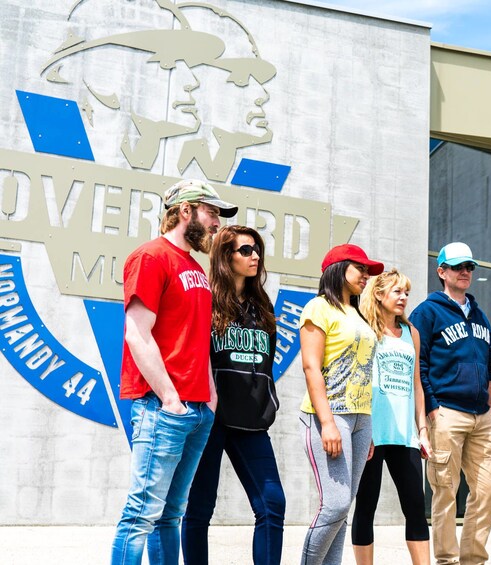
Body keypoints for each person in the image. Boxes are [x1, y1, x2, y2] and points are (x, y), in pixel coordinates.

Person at [111, 179, 238, 565]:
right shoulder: (151, 257)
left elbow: (196, 339)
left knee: (170, 515)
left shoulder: (195, 267)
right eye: (211, 212)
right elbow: (137, 332)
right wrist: (170, 399)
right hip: (162, 408)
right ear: (185, 211)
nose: (217, 223)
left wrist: (210, 395)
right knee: (141, 515)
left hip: (197, 407)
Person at [181, 225, 285, 565]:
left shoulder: (262, 305)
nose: (255, 255)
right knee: (199, 508)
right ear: (226, 256)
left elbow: (265, 363)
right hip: (210, 421)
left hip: (252, 421)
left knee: (272, 505)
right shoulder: (206, 300)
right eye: (245, 250)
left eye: (257, 250)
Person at [409, 242, 491, 565]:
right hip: (445, 411)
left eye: (469, 267)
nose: (465, 272)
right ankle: (447, 560)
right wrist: (431, 407)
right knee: (445, 491)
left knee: (486, 491)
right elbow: (418, 363)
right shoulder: (427, 312)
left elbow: (489, 364)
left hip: (480, 416)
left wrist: (488, 403)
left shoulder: (480, 314)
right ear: (441, 271)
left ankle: (472, 559)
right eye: (458, 267)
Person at [298, 243, 384, 565]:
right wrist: (329, 422)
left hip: (361, 420)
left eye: (368, 271)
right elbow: (310, 367)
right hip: (329, 415)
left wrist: (368, 427)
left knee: (343, 509)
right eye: (360, 269)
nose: (366, 276)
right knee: (334, 505)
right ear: (338, 268)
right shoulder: (318, 308)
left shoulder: (358, 314)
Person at [351, 268, 432, 565]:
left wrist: (422, 429)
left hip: (404, 435)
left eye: (407, 292)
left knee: (415, 506)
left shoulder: (412, 333)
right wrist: (361, 427)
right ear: (379, 294)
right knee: (366, 506)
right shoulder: (364, 329)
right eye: (397, 291)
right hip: (371, 431)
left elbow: (417, 384)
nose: (404, 298)